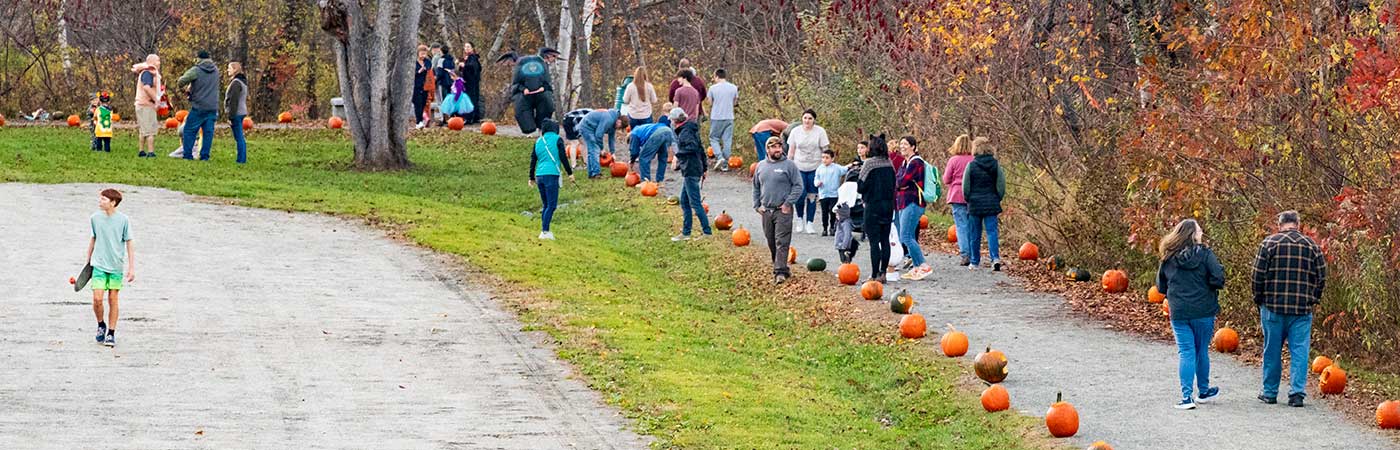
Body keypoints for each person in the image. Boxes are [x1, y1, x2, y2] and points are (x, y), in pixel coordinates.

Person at [1253, 210, 1327, 407]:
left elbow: (1257, 275)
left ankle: (1269, 392)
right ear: (1298, 224)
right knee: (1300, 351)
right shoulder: (1312, 246)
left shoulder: (1269, 244)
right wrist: (1314, 298)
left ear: (1280, 224)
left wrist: (1259, 298)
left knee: (1272, 350)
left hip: (1273, 307)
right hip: (1301, 309)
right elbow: (1321, 276)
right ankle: (1296, 393)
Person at [1155, 218, 1225, 410]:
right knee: (1201, 350)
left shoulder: (1168, 258)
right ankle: (1203, 390)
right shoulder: (1205, 254)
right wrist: (1208, 285)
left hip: (1179, 311)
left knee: (1186, 352)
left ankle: (1187, 397)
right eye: (1200, 231)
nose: (1202, 233)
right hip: (1203, 310)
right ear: (1193, 235)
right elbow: (1218, 278)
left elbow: (1161, 286)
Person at [86, 188, 135, 348]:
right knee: (97, 299)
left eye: (103, 199)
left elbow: (129, 243)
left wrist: (131, 268)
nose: (100, 202)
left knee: (113, 299)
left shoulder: (123, 220)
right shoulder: (95, 218)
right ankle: (101, 325)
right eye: (100, 199)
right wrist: (88, 261)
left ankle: (111, 333)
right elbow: (93, 239)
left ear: (113, 203)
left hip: (115, 267)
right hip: (98, 265)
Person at [752, 136, 803, 284]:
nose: (778, 150)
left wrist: (788, 203)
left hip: (783, 210)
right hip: (767, 210)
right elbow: (756, 186)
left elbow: (798, 186)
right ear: (768, 149)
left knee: (782, 241)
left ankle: (779, 271)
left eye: (779, 147)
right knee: (771, 241)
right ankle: (780, 266)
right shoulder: (760, 166)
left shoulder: (789, 166)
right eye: (774, 147)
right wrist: (757, 205)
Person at [962, 136, 1006, 271]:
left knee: (975, 233)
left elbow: (965, 187)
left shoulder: (971, 165)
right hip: (991, 203)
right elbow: (1001, 185)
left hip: (975, 204)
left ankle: (974, 261)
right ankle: (995, 258)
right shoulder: (995, 165)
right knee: (992, 232)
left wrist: (968, 199)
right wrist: (997, 198)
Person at [785, 109, 830, 235]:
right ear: (802, 119)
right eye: (805, 118)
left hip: (815, 166)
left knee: (812, 195)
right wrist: (789, 165)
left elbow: (825, 150)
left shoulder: (820, 132)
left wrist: (825, 166)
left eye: (810, 118)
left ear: (814, 120)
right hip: (799, 166)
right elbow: (791, 150)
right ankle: (799, 219)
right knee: (800, 194)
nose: (807, 121)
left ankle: (810, 222)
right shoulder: (795, 131)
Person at [859, 134, 897, 282]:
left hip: (872, 205)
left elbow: (861, 186)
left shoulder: (869, 164)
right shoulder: (889, 163)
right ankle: (883, 273)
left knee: (874, 242)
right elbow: (894, 183)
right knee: (885, 240)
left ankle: (874, 274)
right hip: (888, 206)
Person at [895, 136, 933, 280]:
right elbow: (898, 180)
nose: (902, 146)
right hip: (904, 201)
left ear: (913, 147)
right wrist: (901, 183)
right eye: (901, 144)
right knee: (907, 235)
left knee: (906, 235)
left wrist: (901, 183)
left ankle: (923, 265)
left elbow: (902, 181)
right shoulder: (905, 163)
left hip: (913, 202)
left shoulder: (916, 162)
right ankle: (917, 267)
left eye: (906, 144)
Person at [529, 119, 574, 240]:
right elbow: (563, 157)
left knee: (545, 205)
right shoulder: (557, 139)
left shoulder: (538, 141)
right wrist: (570, 173)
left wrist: (531, 177)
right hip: (551, 174)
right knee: (552, 205)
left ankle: (544, 230)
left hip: (539, 175)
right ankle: (545, 231)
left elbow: (533, 159)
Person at [672, 108, 711, 241]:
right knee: (684, 201)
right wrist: (704, 168)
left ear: (675, 121)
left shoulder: (685, 132)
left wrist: (677, 156)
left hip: (691, 169)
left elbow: (693, 148)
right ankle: (686, 232)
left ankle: (707, 232)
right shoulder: (691, 129)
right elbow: (701, 149)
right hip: (694, 169)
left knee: (694, 203)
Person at [177, 50, 220, 161]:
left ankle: (187, 155)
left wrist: (188, 89)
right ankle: (205, 156)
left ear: (198, 58)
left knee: (189, 130)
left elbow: (181, 81)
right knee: (208, 132)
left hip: (199, 106)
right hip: (212, 106)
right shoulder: (216, 70)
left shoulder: (196, 70)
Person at [511, 47, 560, 135]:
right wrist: (523, 89)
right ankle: (529, 129)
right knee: (521, 107)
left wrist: (543, 88)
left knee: (546, 104)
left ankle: (542, 128)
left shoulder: (543, 66)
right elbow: (516, 84)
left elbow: (547, 83)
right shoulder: (520, 67)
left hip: (541, 93)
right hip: (524, 94)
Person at [943, 135, 975, 265]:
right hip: (972, 195)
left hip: (957, 195)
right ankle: (973, 254)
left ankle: (965, 254)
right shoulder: (974, 160)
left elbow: (946, 179)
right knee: (973, 225)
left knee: (961, 226)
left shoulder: (953, 160)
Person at [576, 108, 625, 178]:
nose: (619, 128)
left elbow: (611, 139)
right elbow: (599, 135)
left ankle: (591, 173)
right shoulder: (609, 119)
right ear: (619, 121)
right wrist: (601, 148)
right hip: (587, 127)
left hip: (592, 129)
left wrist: (613, 152)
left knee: (592, 151)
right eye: (620, 126)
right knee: (595, 150)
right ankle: (596, 174)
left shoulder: (613, 123)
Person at [706, 69, 738, 170]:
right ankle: (725, 163)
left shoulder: (712, 88)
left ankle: (720, 157)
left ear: (716, 76)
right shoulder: (733, 87)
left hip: (717, 116)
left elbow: (710, 102)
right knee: (727, 140)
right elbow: (735, 102)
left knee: (713, 138)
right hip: (729, 116)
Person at [633, 111, 679, 183]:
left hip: (658, 133)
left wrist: (632, 160)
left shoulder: (634, 133)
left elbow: (634, 151)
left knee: (643, 157)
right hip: (668, 132)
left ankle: (645, 181)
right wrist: (677, 154)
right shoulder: (649, 127)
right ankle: (660, 180)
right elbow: (673, 142)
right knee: (663, 157)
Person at [132, 54, 162, 157]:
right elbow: (147, 88)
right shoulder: (147, 73)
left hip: (141, 104)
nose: (159, 63)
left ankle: (141, 151)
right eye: (158, 61)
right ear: (152, 62)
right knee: (150, 130)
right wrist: (156, 100)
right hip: (145, 104)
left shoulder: (149, 73)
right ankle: (151, 152)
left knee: (143, 129)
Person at [814, 150, 847, 236]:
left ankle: (832, 227)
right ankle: (825, 228)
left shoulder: (836, 167)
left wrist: (852, 165)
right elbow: (816, 178)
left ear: (832, 159)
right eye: (823, 157)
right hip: (823, 194)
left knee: (833, 211)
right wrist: (817, 183)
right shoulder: (819, 168)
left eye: (827, 158)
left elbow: (845, 169)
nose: (824, 160)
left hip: (834, 194)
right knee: (824, 212)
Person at [225, 62, 249, 164]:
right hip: (241, 111)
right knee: (239, 136)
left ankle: (241, 159)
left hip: (237, 112)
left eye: (229, 68)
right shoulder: (242, 82)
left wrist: (230, 116)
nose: (227, 70)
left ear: (235, 70)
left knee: (239, 137)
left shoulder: (236, 83)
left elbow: (233, 101)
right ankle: (241, 158)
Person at [456, 41, 483, 124]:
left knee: (471, 99)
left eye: (468, 47)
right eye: (465, 47)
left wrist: (464, 65)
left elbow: (474, 67)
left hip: (472, 82)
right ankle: (473, 117)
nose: (467, 48)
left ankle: (471, 117)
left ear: (472, 48)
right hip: (467, 82)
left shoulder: (473, 57)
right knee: (470, 98)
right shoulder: (466, 58)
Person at [432, 43, 456, 124]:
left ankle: (444, 118)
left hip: (442, 82)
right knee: (449, 99)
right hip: (450, 81)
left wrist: (435, 80)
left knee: (441, 100)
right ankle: (450, 116)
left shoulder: (441, 60)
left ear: (441, 51)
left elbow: (440, 73)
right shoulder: (451, 60)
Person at [413, 45, 432, 128]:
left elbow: (429, 68)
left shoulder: (427, 61)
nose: (423, 55)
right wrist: (419, 71)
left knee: (423, 103)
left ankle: (421, 119)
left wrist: (425, 69)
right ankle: (418, 121)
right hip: (416, 85)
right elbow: (412, 73)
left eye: (425, 53)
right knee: (417, 103)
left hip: (425, 85)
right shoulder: (414, 62)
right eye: (421, 53)